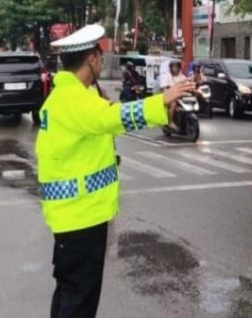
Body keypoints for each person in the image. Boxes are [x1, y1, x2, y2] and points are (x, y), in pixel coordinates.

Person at [35, 24, 195, 318]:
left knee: (69, 294)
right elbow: (114, 117)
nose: (100, 61)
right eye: (99, 56)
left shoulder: (64, 96)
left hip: (71, 215)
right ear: (92, 60)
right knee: (79, 302)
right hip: (81, 216)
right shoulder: (75, 101)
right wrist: (162, 99)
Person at [158, 60, 189, 130]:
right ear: (171, 68)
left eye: (177, 67)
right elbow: (164, 88)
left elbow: (187, 86)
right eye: (173, 67)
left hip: (181, 97)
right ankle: (171, 122)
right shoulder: (167, 77)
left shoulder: (183, 77)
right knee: (173, 103)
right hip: (170, 98)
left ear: (179, 68)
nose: (175, 69)